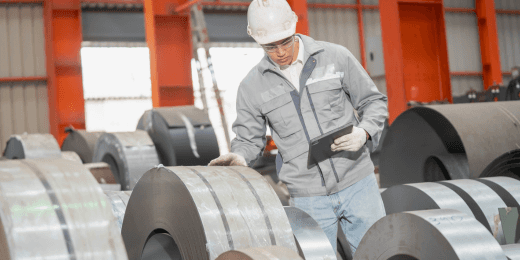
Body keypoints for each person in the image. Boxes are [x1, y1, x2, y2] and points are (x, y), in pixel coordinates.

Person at [209, 0, 387, 254]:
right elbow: (249, 140)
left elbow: (374, 101)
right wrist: (239, 156)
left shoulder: (335, 57)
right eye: (271, 46)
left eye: (285, 41)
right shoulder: (252, 87)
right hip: (308, 197)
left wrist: (364, 131)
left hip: (358, 183)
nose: (280, 51)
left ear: (294, 28)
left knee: (377, 252)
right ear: (257, 41)